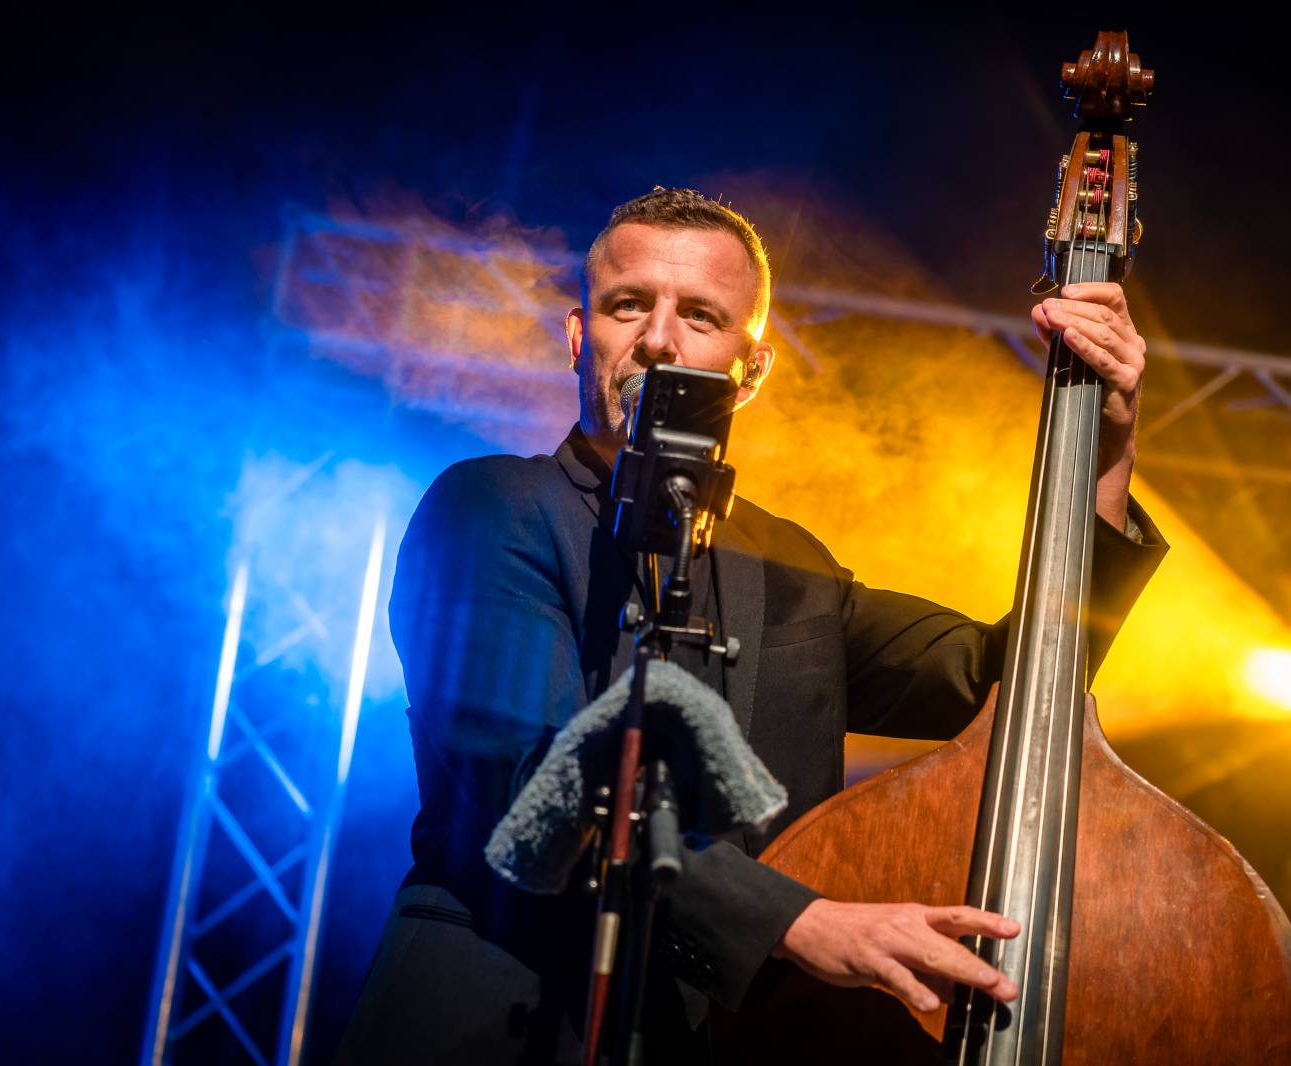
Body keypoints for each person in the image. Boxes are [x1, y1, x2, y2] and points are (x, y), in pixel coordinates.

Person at [336, 188, 1165, 1063]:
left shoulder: (791, 565)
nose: (659, 340)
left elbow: (1005, 683)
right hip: (495, 1019)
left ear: (753, 369)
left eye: (700, 315)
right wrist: (797, 921)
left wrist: (1102, 460)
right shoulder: (492, 506)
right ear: (582, 337)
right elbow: (536, 780)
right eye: (629, 306)